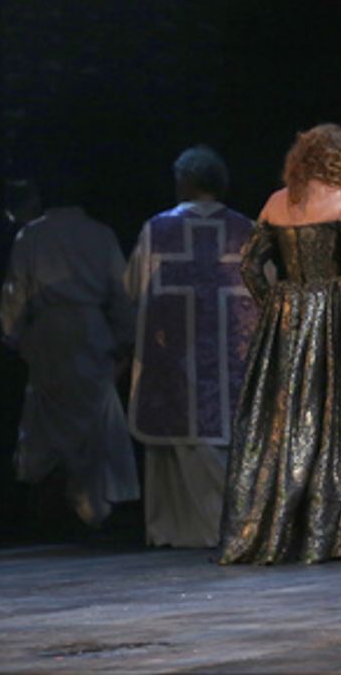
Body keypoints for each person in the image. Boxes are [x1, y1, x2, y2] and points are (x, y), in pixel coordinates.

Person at [217, 123, 341, 564]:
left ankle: (289, 530)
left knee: (284, 423)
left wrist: (277, 307)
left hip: (286, 321)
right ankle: (333, 530)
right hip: (336, 317)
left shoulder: (276, 202)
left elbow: (250, 266)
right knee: (335, 420)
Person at [124, 145, 258, 548]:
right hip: (234, 360)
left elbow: (131, 291)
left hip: (174, 361)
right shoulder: (246, 229)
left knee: (176, 441)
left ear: (184, 182)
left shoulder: (159, 228)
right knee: (226, 439)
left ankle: (172, 530)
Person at [0, 174, 140, 528]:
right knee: (92, 417)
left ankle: (53, 507)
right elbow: (120, 292)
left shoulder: (31, 236)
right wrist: (125, 336)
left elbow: (15, 292)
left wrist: (12, 336)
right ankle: (93, 507)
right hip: (90, 332)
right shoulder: (100, 234)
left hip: (49, 335)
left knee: (48, 417)